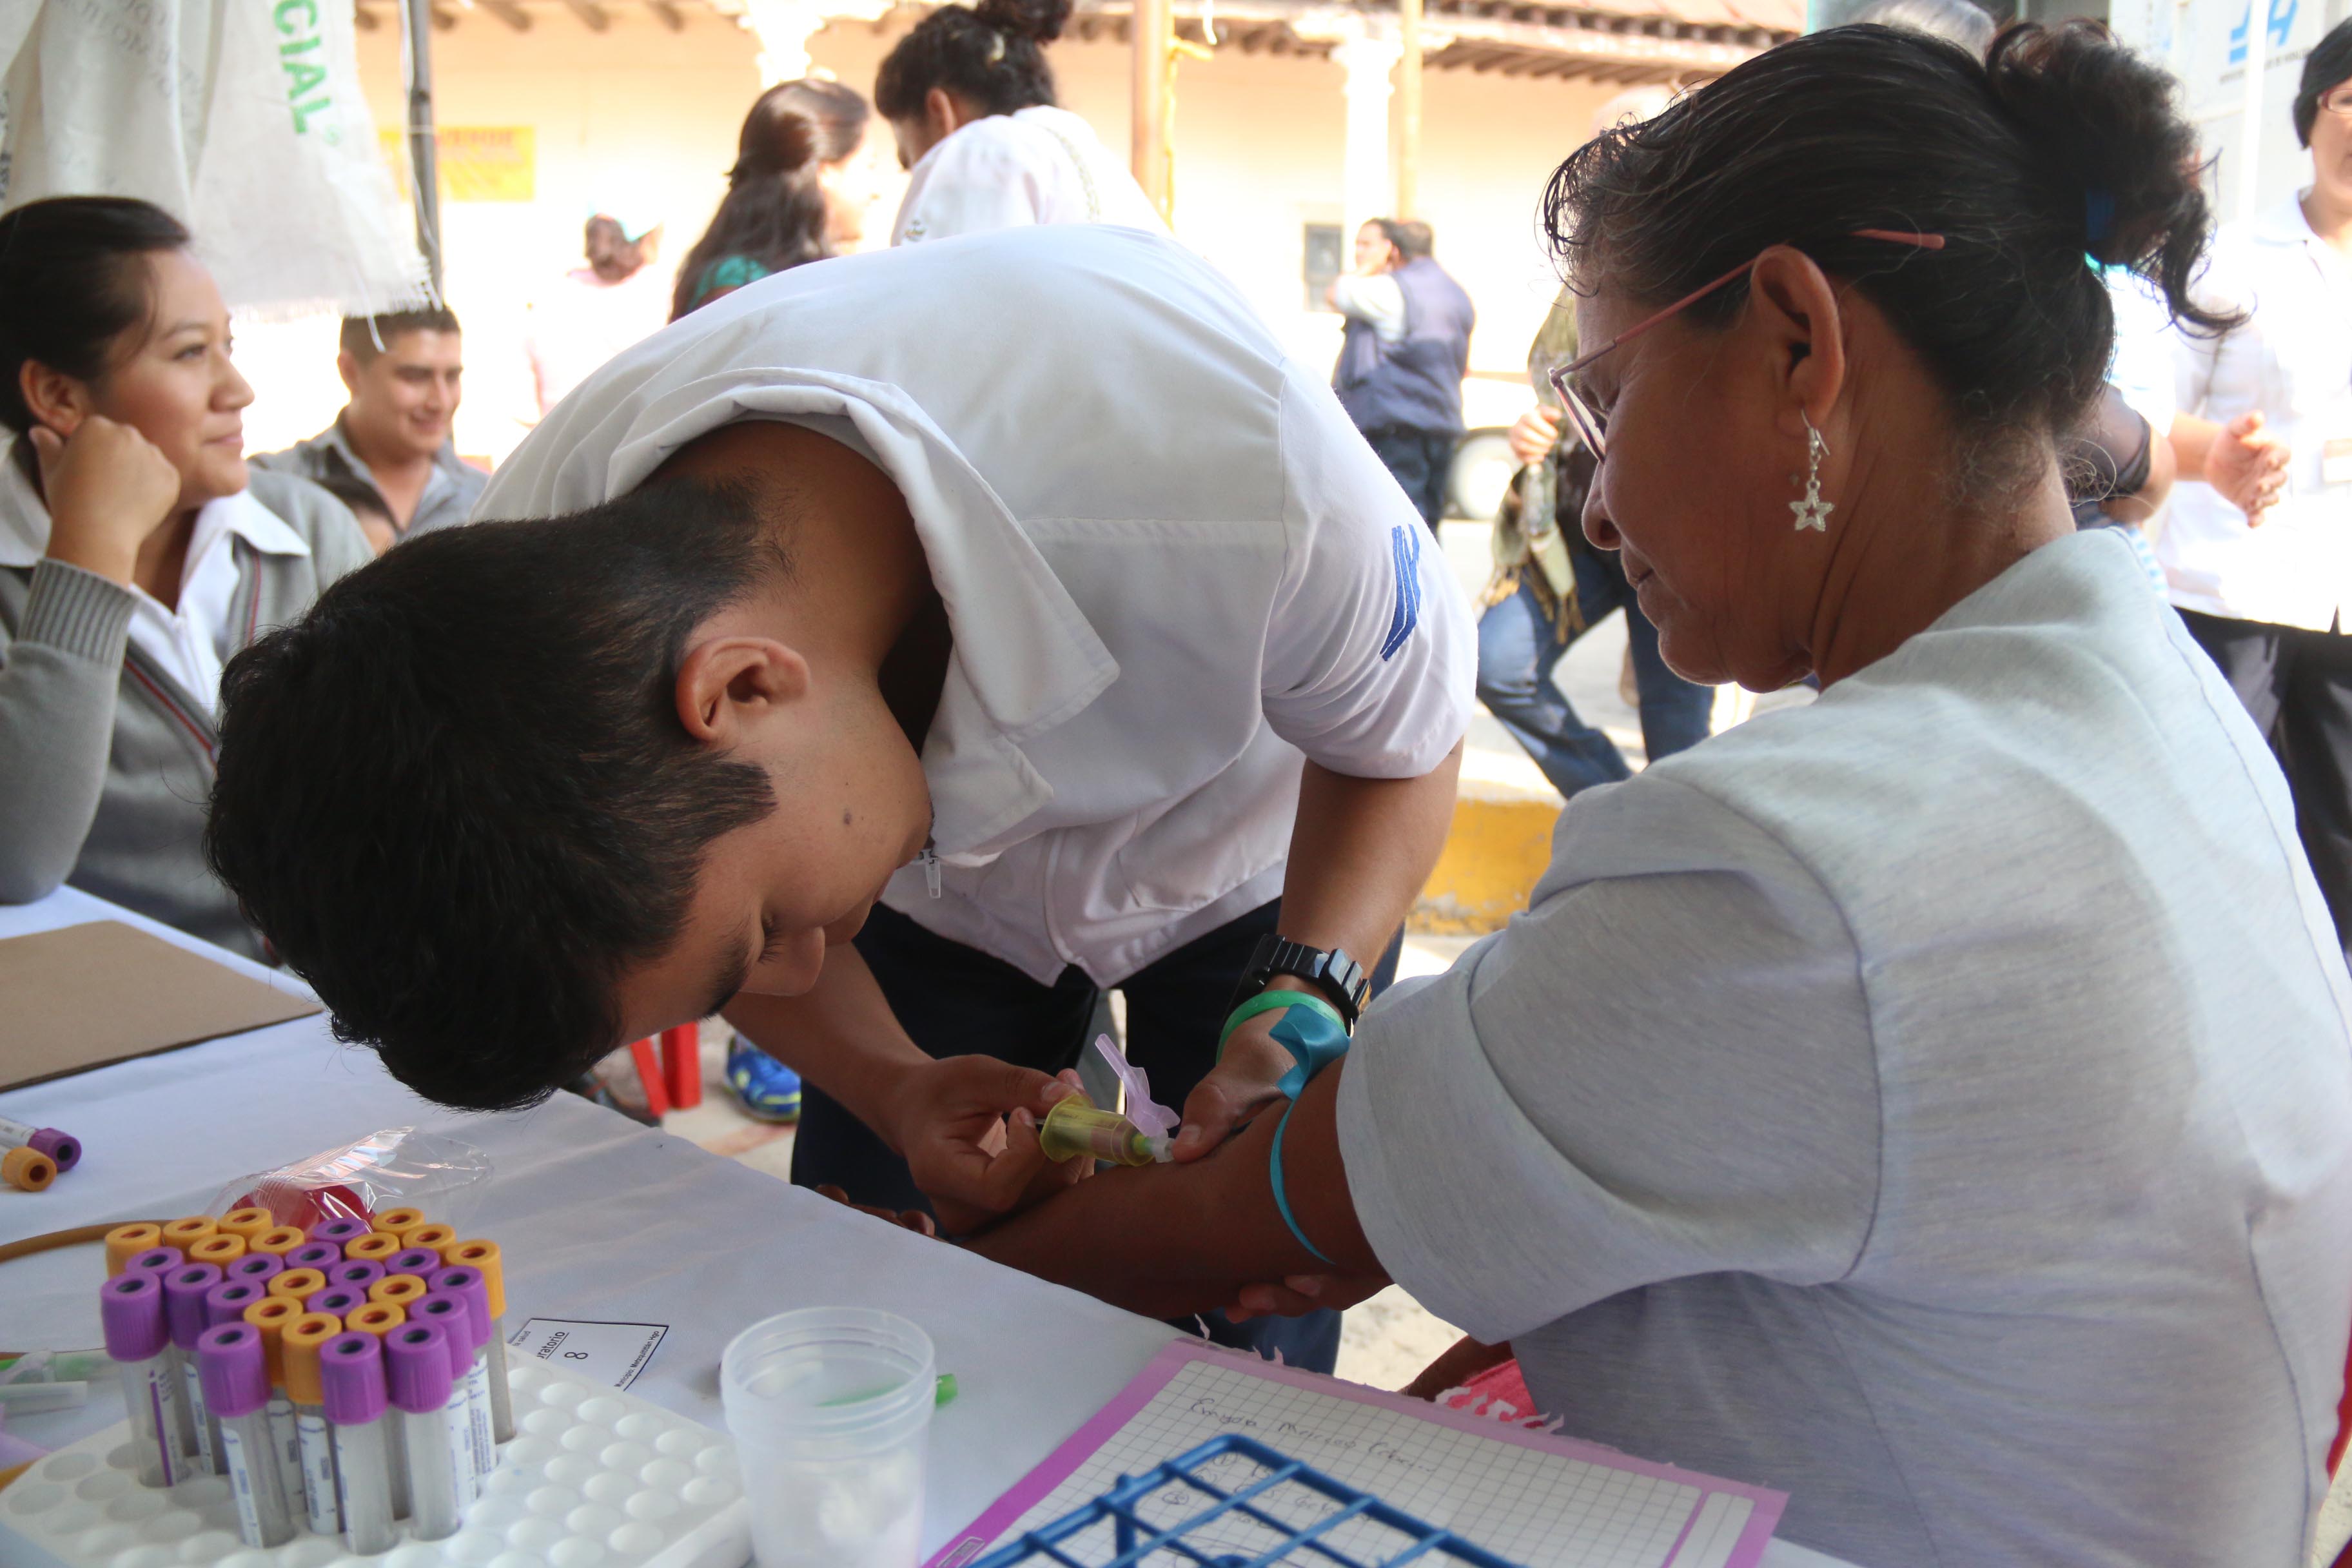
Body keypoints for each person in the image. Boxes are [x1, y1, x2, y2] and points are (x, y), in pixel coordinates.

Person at [957, 26, 2352, 1567]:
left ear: (1799, 344)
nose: (1603, 504)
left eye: (1610, 400)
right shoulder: (2158, 697)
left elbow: (1257, 1216)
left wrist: (911, 1253)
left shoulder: (1810, 861)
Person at [202, 223, 1475, 1374]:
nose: (807, 969)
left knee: (1244, 1295)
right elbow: (694, 935)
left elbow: (1401, 747)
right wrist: (893, 1083)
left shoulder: (1232, 478)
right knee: (884, 1305)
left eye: (764, 934)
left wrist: (1309, 985)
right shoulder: (501, 652)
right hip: (905, 878)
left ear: (743, 684)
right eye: (740, 967)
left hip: (1252, 866)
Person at [0, 197, 374, 959]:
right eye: (190, 352)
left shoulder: (308, 532)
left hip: (350, 997)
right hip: (131, 1012)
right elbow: (18, 857)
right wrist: (87, 555)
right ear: (59, 395)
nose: (237, 389)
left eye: (227, 345)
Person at [2159, 18, 2352, 965]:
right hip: (2230, 594)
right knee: (2216, 825)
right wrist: (2220, 457)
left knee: (2344, 842)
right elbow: (2150, 412)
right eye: (2349, 101)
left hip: (2345, 605)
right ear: (2312, 113)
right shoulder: (2230, 259)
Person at [1478, 297, 1710, 798]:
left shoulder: (1686, 286)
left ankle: (1669, 831)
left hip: (1672, 542)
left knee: (1675, 730)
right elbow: (1563, 410)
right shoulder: (1576, 297)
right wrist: (1534, 436)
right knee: (1496, 663)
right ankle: (1619, 806)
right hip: (1578, 539)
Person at [876, 0, 1164, 245]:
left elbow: (932, 287)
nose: (917, 174)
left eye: (908, 160)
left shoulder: (982, 150)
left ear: (941, 113)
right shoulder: (1103, 166)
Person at [251, 309, 484, 545]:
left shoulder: (486, 500)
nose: (441, 401)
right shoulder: (270, 489)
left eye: (452, 377)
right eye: (416, 377)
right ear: (350, 372)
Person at [671, 78, 890, 321]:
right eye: (869, 166)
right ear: (825, 171)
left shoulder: (791, 277)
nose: (876, 191)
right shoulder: (738, 286)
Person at [1329, 219, 1475, 532]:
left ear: (1392, 251)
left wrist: (1369, 266)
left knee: (1397, 528)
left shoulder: (1390, 289)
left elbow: (1336, 293)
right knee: (1428, 527)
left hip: (1397, 427)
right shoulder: (1457, 294)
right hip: (1443, 424)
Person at [522, 211, 669, 418]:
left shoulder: (547, 299)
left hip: (561, 433)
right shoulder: (660, 295)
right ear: (648, 239)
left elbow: (523, 407)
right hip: (637, 433)